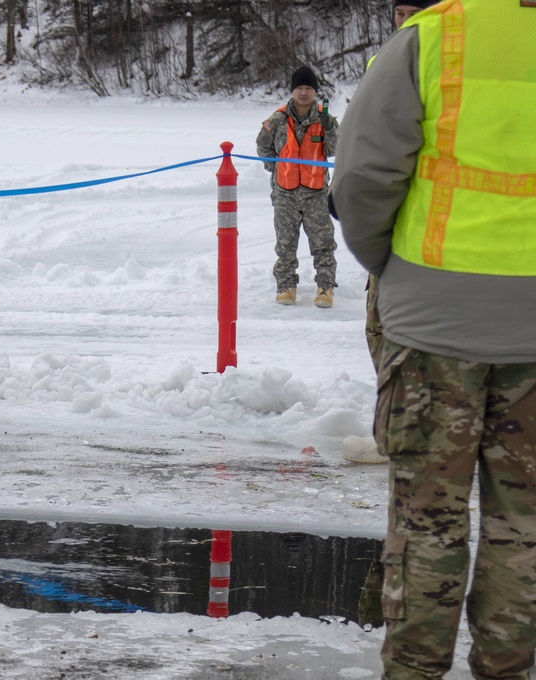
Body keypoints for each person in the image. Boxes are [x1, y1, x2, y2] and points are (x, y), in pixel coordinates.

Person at [329, 1, 536, 677]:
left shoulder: (437, 34)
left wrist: (389, 267)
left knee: (427, 523)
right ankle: (509, 666)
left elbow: (362, 175)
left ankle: (415, 671)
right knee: (523, 524)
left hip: (434, 323)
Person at [364, 0, 441, 374]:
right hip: (392, 221)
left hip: (435, 228)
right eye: (400, 13)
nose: (406, 21)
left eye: (415, 12)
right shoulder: (382, 63)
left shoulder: (451, 60)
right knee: (379, 330)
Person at [256, 66, 339, 308]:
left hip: (316, 194)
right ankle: (286, 285)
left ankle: (325, 286)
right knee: (285, 243)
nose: (304, 93)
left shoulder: (325, 120)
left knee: (323, 242)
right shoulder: (277, 119)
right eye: (299, 88)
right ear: (293, 91)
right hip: (285, 194)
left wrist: (330, 128)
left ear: (315, 92)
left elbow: (336, 149)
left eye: (308, 88)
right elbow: (263, 148)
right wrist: (278, 170)